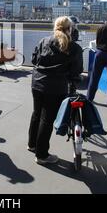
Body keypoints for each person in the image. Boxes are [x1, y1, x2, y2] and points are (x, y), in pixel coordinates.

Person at [28, 16, 83, 165]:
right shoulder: (74, 48)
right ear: (70, 29)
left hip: (37, 83)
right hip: (56, 88)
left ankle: (32, 144)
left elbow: (34, 60)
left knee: (37, 114)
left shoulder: (44, 41)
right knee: (47, 120)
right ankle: (41, 155)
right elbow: (77, 70)